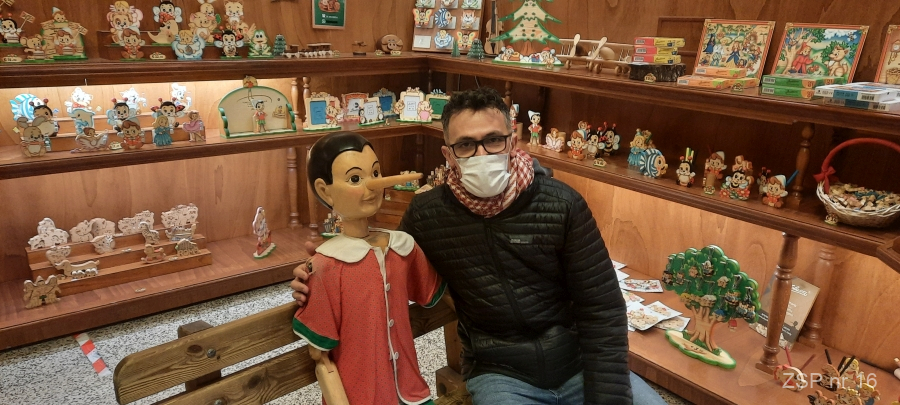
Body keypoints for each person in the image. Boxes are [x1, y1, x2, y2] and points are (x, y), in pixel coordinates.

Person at [293, 88, 667, 405]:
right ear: (448, 154)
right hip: (500, 373)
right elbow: (383, 261)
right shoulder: (428, 215)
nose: (482, 154)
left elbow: (602, 308)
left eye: (493, 140)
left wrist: (608, 398)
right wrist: (315, 274)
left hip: (578, 363)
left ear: (512, 141)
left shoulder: (563, 204)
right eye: (466, 145)